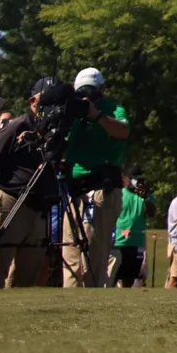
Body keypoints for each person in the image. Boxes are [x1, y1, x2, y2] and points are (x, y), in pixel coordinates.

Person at [0, 78, 69, 289]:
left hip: (38, 205)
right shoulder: (17, 126)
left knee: (28, 273)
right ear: (33, 101)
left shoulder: (56, 132)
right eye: (48, 100)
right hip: (10, 198)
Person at [61, 67, 129, 287]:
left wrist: (96, 115)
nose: (85, 97)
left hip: (101, 188)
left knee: (93, 251)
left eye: (90, 92)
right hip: (74, 190)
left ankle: (90, 296)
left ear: (102, 89)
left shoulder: (114, 109)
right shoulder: (71, 113)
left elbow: (123, 131)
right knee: (70, 250)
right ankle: (69, 297)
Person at [113, 174, 151, 287]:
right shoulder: (119, 194)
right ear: (125, 179)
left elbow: (152, 213)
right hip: (119, 242)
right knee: (113, 275)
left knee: (130, 277)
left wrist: (146, 198)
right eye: (133, 179)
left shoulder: (144, 195)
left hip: (137, 242)